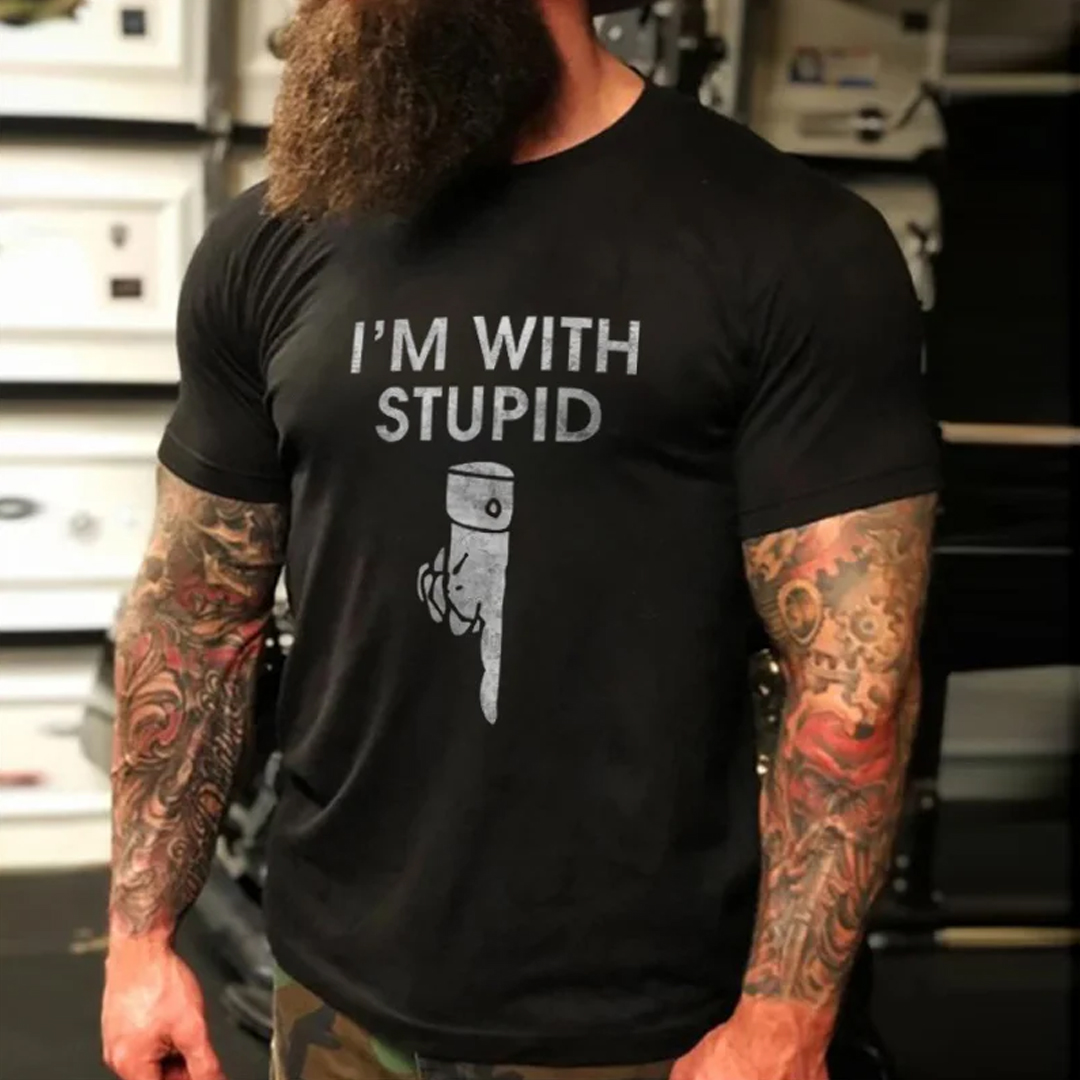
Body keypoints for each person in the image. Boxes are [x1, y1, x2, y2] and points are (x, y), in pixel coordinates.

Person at [101, 1, 940, 1078]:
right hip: (336, 997)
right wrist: (140, 937)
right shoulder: (272, 239)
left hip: (657, 1026)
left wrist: (786, 1018)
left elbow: (854, 675)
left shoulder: (788, 241)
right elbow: (193, 614)